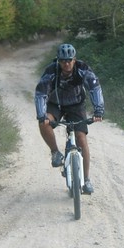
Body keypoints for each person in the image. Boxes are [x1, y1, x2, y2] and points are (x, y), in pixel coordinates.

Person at [35, 43, 105, 194]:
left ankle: (86, 180)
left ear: (74, 60)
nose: (66, 63)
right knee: (43, 123)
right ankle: (55, 152)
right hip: (56, 104)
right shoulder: (51, 71)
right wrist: (42, 115)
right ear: (58, 61)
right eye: (63, 61)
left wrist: (98, 109)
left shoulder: (82, 69)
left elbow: (94, 87)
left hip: (76, 105)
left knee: (81, 139)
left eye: (69, 60)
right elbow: (41, 94)